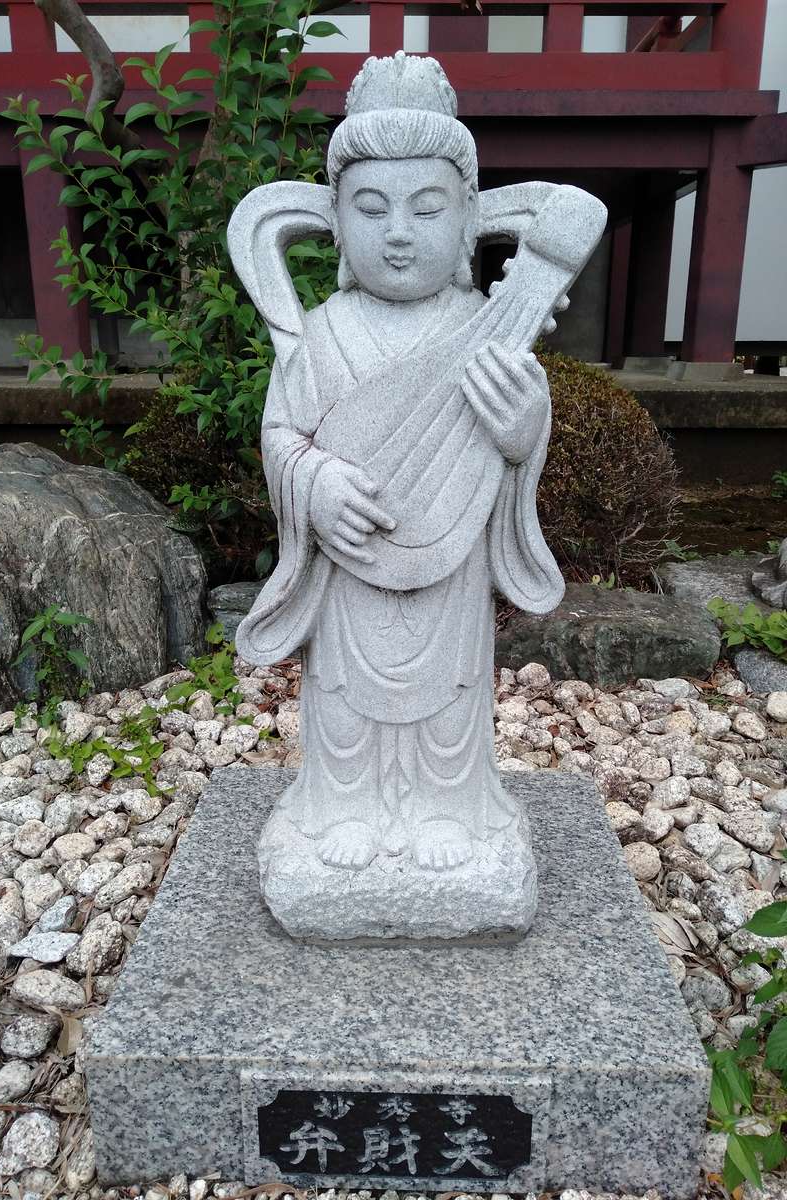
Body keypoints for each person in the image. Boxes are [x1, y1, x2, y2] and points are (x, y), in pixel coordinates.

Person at [235, 51, 564, 876]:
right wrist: (312, 484)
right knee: (344, 700)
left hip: (448, 570)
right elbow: (282, 436)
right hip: (351, 566)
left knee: (451, 698)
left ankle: (451, 805)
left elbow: (516, 449)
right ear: (335, 223)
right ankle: (340, 801)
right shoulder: (315, 334)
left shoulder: (487, 328)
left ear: (468, 219)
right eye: (372, 209)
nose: (399, 232)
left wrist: (524, 435)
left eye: (427, 208)